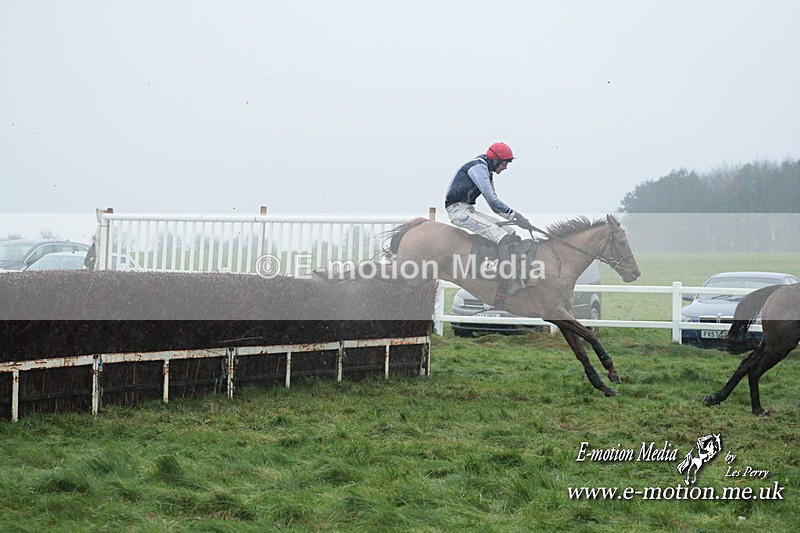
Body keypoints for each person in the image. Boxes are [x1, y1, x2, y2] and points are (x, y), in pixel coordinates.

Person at [445, 142, 535, 294]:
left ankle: (510, 271)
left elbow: (494, 205)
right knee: (501, 235)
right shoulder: (478, 168)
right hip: (458, 211)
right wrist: (517, 216)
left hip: (468, 209)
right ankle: (509, 281)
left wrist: (517, 221)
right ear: (496, 160)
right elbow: (493, 200)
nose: (506, 167)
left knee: (510, 231)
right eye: (505, 163)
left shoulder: (486, 170)